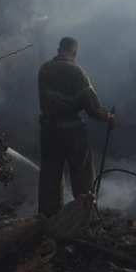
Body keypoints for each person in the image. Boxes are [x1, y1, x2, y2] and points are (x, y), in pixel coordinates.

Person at [38, 37, 114, 217]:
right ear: (74, 52)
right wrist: (108, 117)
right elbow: (92, 108)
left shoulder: (44, 69)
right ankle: (84, 214)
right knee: (82, 175)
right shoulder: (76, 72)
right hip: (72, 131)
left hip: (48, 130)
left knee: (50, 174)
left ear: (58, 49)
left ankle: (49, 217)